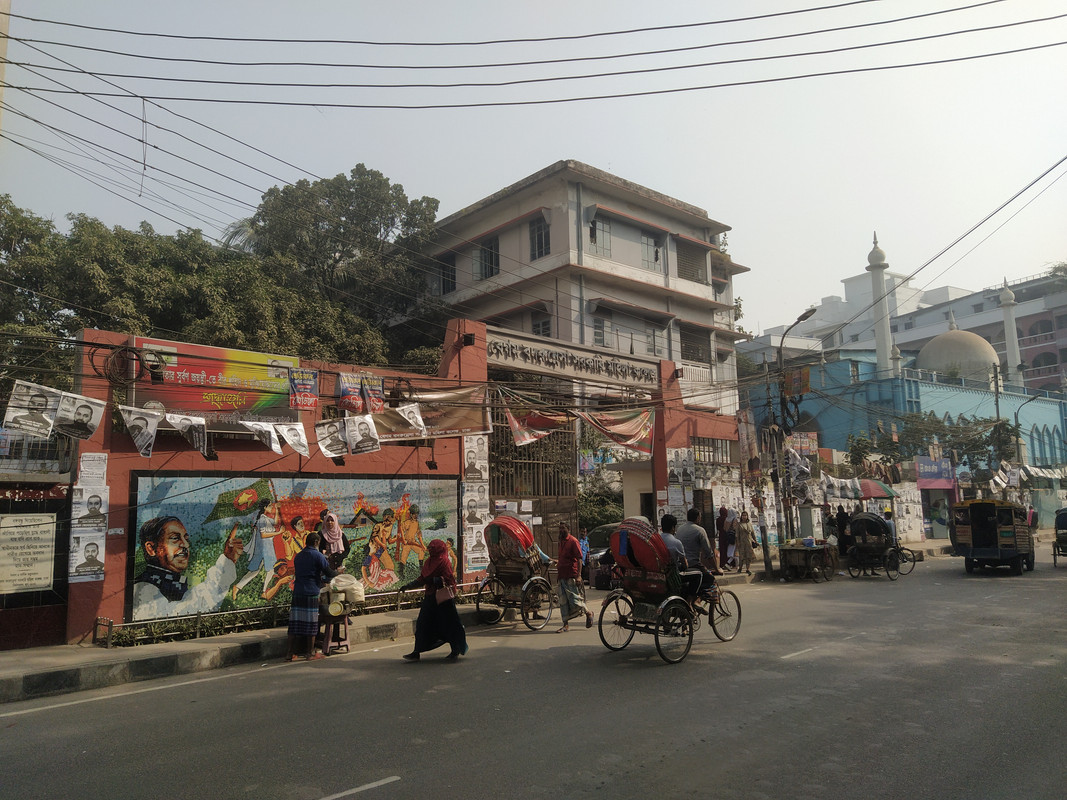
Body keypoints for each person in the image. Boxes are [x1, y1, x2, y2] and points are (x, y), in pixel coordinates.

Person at [132, 516, 243, 620]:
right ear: (151, 548)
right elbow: (188, 611)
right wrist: (226, 562)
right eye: (175, 538)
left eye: (186, 538)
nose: (185, 544)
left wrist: (228, 560)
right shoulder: (143, 589)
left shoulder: (169, 580)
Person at [399, 538, 468, 661]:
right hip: (430, 597)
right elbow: (422, 578)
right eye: (429, 548)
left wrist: (435, 580)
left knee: (449, 624)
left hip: (443, 600)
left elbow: (449, 580)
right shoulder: (428, 562)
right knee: (422, 624)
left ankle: (455, 650)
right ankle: (416, 651)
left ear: (438, 549)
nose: (430, 550)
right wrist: (408, 586)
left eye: (432, 548)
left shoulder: (445, 562)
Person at [285, 531, 338, 662]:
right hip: (311, 592)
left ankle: (290, 653)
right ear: (316, 543)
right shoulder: (318, 556)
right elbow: (328, 572)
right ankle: (310, 653)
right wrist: (338, 573)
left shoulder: (298, 556)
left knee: (295, 624)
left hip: (298, 592)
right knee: (311, 624)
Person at [232, 499, 282, 600]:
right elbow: (263, 535)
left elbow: (276, 522)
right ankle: (241, 588)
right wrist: (278, 533)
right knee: (262, 571)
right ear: (265, 507)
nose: (271, 507)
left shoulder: (266, 519)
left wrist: (277, 510)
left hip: (267, 548)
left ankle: (260, 591)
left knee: (264, 571)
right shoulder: (262, 520)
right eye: (270, 506)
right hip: (264, 549)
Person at [554, 522, 592, 632]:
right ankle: (565, 625)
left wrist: (579, 576)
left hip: (571, 574)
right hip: (562, 575)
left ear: (568, 529)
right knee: (563, 601)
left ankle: (588, 612)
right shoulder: (560, 541)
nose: (561, 530)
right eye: (560, 528)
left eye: (563, 528)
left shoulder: (573, 541)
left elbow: (580, 559)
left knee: (575, 599)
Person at [676, 508, 721, 591]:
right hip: (693, 564)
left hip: (680, 564)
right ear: (697, 518)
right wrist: (716, 569)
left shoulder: (679, 529)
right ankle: (695, 599)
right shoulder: (699, 530)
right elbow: (708, 553)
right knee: (710, 579)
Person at [396, 504, 428, 568]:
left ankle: (421, 568)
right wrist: (404, 540)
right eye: (414, 514)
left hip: (413, 542)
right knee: (403, 557)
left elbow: (419, 535)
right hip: (407, 543)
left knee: (421, 551)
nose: (416, 515)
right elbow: (401, 529)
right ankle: (401, 572)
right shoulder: (408, 522)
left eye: (417, 514)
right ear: (411, 514)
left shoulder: (417, 523)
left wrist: (422, 545)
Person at [734, 511, 758, 576]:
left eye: (745, 515)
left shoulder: (749, 524)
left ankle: (748, 568)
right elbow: (737, 535)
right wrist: (738, 542)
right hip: (742, 542)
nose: (744, 517)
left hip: (749, 542)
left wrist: (755, 541)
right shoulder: (739, 525)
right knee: (741, 556)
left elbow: (752, 533)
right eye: (743, 515)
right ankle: (740, 568)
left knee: (748, 556)